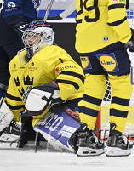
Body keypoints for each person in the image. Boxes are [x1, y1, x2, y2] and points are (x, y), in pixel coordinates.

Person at [74, 0, 134, 157]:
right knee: (121, 85)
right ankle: (116, 137)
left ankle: (86, 138)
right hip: (107, 42)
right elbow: (115, 14)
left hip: (83, 42)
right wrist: (128, 37)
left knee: (93, 88)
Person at [0, 0, 72, 103]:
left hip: (4, 28)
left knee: (5, 78)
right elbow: (11, 6)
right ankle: (23, 116)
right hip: (10, 29)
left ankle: (6, 118)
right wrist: (24, 31)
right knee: (24, 73)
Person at [1, 21, 83, 152]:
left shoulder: (54, 53)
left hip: (66, 104)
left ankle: (80, 136)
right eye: (27, 36)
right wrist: (9, 114)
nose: (28, 40)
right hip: (38, 114)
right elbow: (15, 93)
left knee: (37, 97)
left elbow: (75, 76)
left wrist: (53, 90)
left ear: (46, 36)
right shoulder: (17, 60)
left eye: (33, 36)